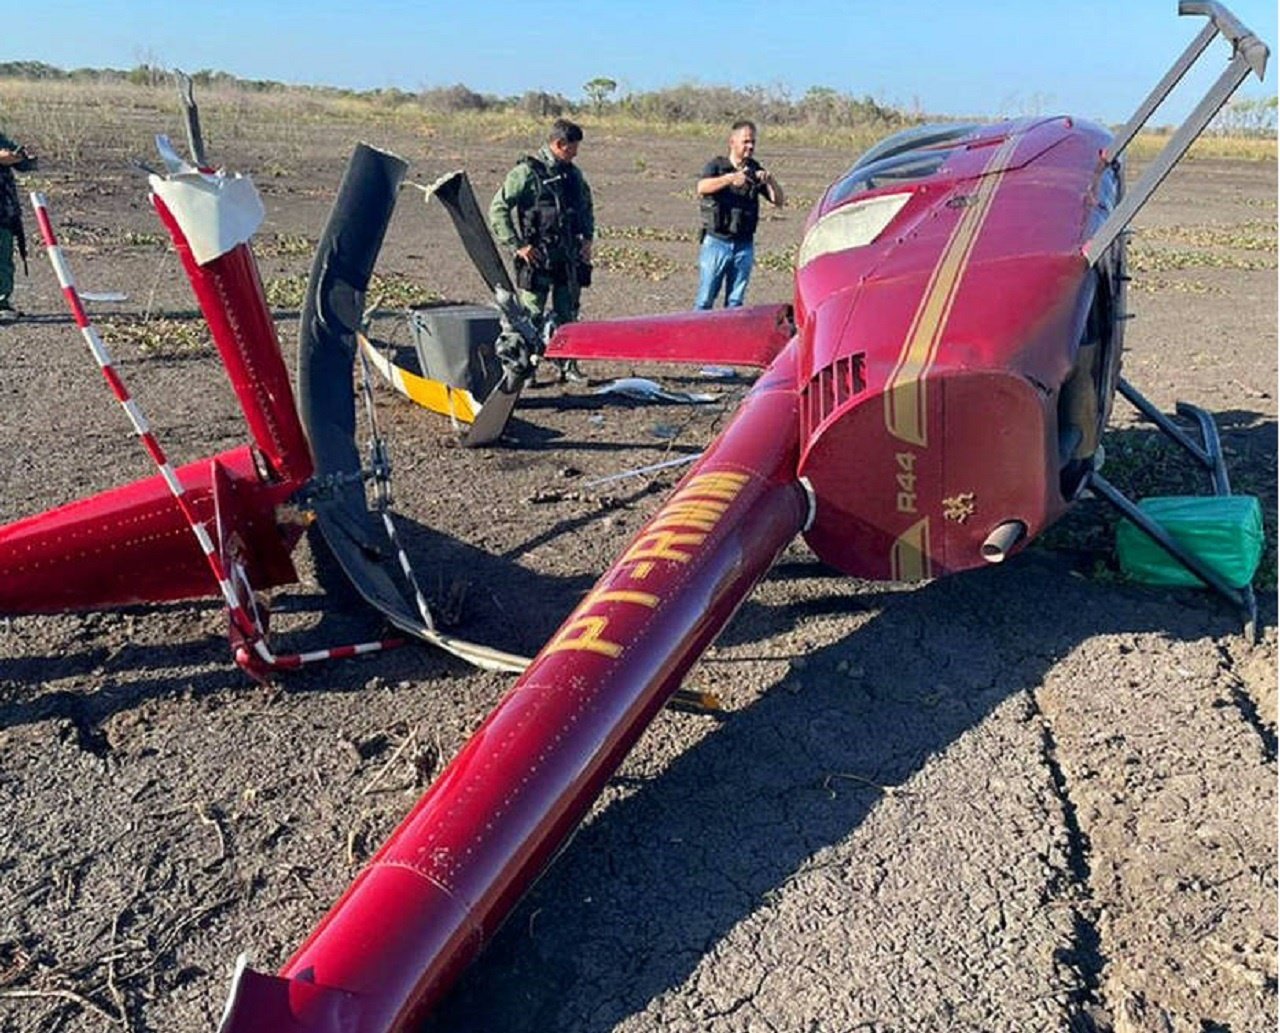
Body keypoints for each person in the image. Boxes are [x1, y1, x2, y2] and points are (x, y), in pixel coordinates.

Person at [488, 117, 594, 383]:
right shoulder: (526, 173)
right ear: (559, 144)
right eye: (571, 149)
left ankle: (567, 366)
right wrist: (517, 245)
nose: (575, 154)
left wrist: (587, 239)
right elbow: (498, 209)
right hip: (537, 258)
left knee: (567, 315)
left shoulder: (573, 174)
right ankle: (526, 370)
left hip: (567, 257)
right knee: (530, 317)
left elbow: (586, 206)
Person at [694, 120, 784, 309]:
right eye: (745, 142)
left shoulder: (754, 169)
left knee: (735, 303)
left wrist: (770, 181)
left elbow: (778, 201)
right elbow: (701, 188)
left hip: (744, 245)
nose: (750, 147)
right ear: (732, 142)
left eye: (753, 142)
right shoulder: (717, 166)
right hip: (716, 243)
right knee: (705, 299)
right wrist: (729, 179)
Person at [0, 132, 36, 321]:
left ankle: (1, 303)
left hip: (3, 212)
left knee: (2, 258)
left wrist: (24, 156)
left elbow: (24, 165)